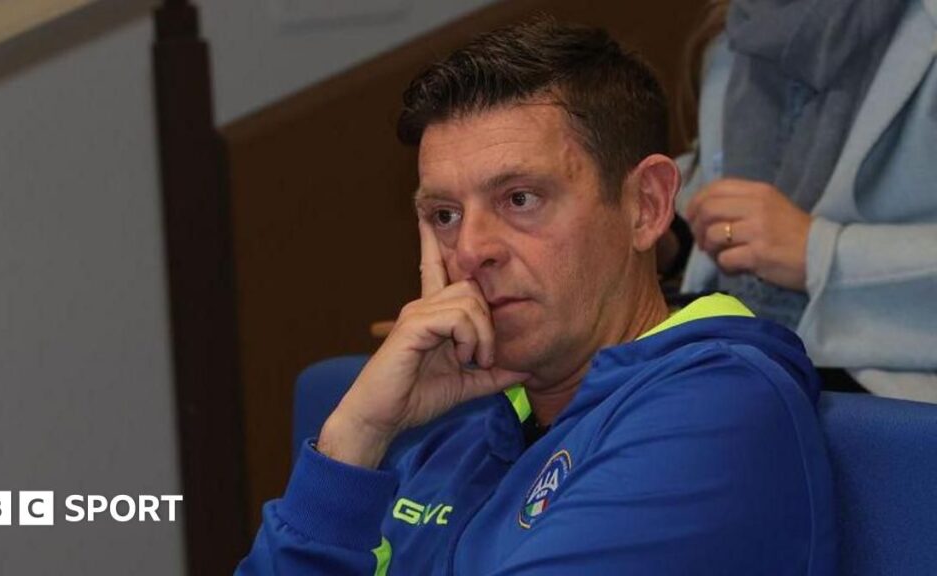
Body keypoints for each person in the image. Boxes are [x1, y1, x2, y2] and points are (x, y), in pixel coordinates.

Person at [235, 19, 836, 575]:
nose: (469, 250)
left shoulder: (717, 406)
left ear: (647, 205)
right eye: (444, 214)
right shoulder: (461, 423)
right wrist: (356, 435)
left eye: (520, 199)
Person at [671, 0, 937, 402]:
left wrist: (817, 252)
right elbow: (714, 179)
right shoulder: (735, 33)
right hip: (741, 365)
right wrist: (664, 235)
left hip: (891, 410)